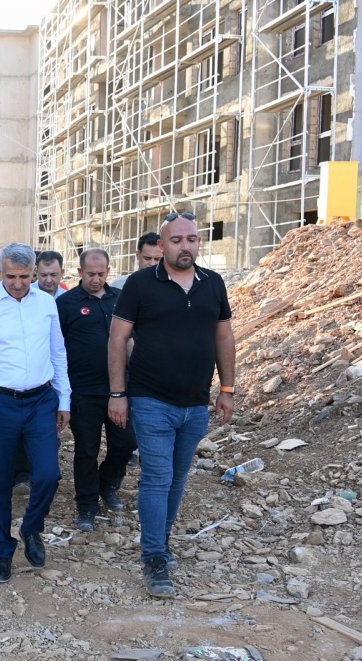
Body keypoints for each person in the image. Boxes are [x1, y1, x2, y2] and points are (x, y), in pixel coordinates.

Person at [107, 212, 235, 599]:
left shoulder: (213, 283)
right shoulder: (141, 284)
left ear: (199, 242)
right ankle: (154, 557)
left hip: (195, 403)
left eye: (191, 239)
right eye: (176, 240)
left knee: (178, 478)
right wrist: (118, 394)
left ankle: (159, 544)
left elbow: (224, 337)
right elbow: (117, 339)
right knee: (157, 477)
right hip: (151, 399)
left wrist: (227, 388)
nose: (185, 246)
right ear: (162, 246)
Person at [0, 243, 71, 582]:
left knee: (48, 474)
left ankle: (31, 528)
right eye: (11, 277)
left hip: (40, 401)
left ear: (34, 273)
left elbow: (58, 353)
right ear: (0, 273)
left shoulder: (46, 304)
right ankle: (2, 552)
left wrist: (64, 399)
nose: (18, 283)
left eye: (25, 277)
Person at [56, 248, 137, 533]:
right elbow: (56, 347)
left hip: (119, 389)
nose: (96, 279)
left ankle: (107, 484)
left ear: (108, 272)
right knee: (86, 450)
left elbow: (133, 339)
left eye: (101, 274)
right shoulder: (66, 304)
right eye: (90, 274)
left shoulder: (121, 300)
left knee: (126, 443)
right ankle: (87, 505)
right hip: (83, 391)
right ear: (79, 272)